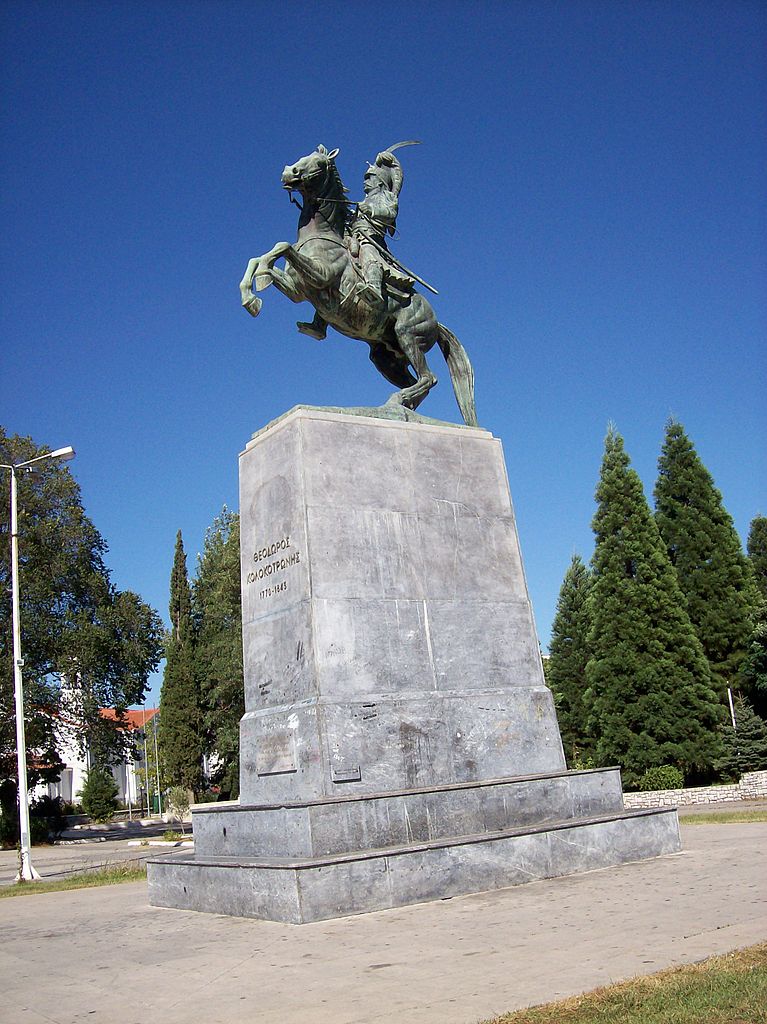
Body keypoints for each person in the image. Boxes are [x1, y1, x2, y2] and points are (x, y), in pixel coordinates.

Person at [296, 149, 410, 340]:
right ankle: (320, 323)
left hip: (371, 239)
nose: (366, 181)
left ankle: (373, 287)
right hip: (353, 238)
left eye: (370, 177)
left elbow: (389, 213)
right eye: (366, 178)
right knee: (332, 262)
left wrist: (371, 209)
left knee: (368, 253)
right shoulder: (364, 199)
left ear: (380, 181)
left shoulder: (386, 197)